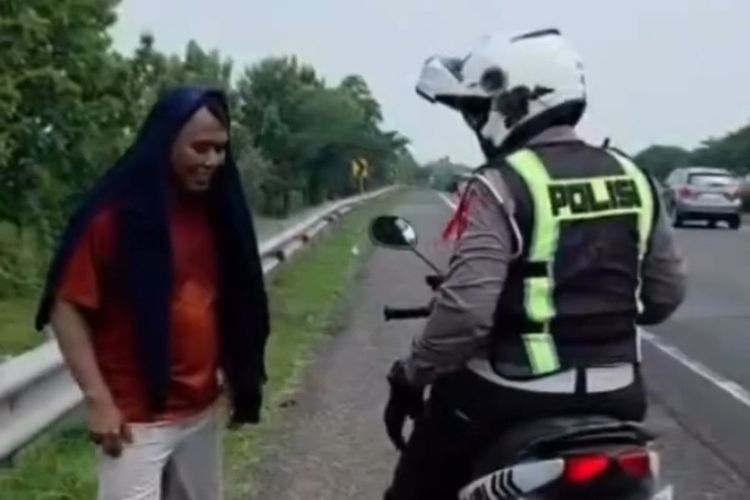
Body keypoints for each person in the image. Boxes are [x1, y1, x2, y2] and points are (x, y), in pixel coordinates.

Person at [383, 29, 687, 499]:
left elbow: (466, 315)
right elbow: (665, 295)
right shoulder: (634, 176)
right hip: (618, 394)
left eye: (479, 110)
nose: (477, 123)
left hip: (509, 394)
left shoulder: (500, 183)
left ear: (515, 100)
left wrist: (412, 373)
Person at [35, 87, 270, 500]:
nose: (212, 161)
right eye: (199, 148)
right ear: (166, 142)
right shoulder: (114, 218)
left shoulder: (218, 214)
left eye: (219, 149)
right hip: (135, 420)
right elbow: (66, 305)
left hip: (201, 410)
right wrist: (98, 400)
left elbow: (235, 299)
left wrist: (239, 373)